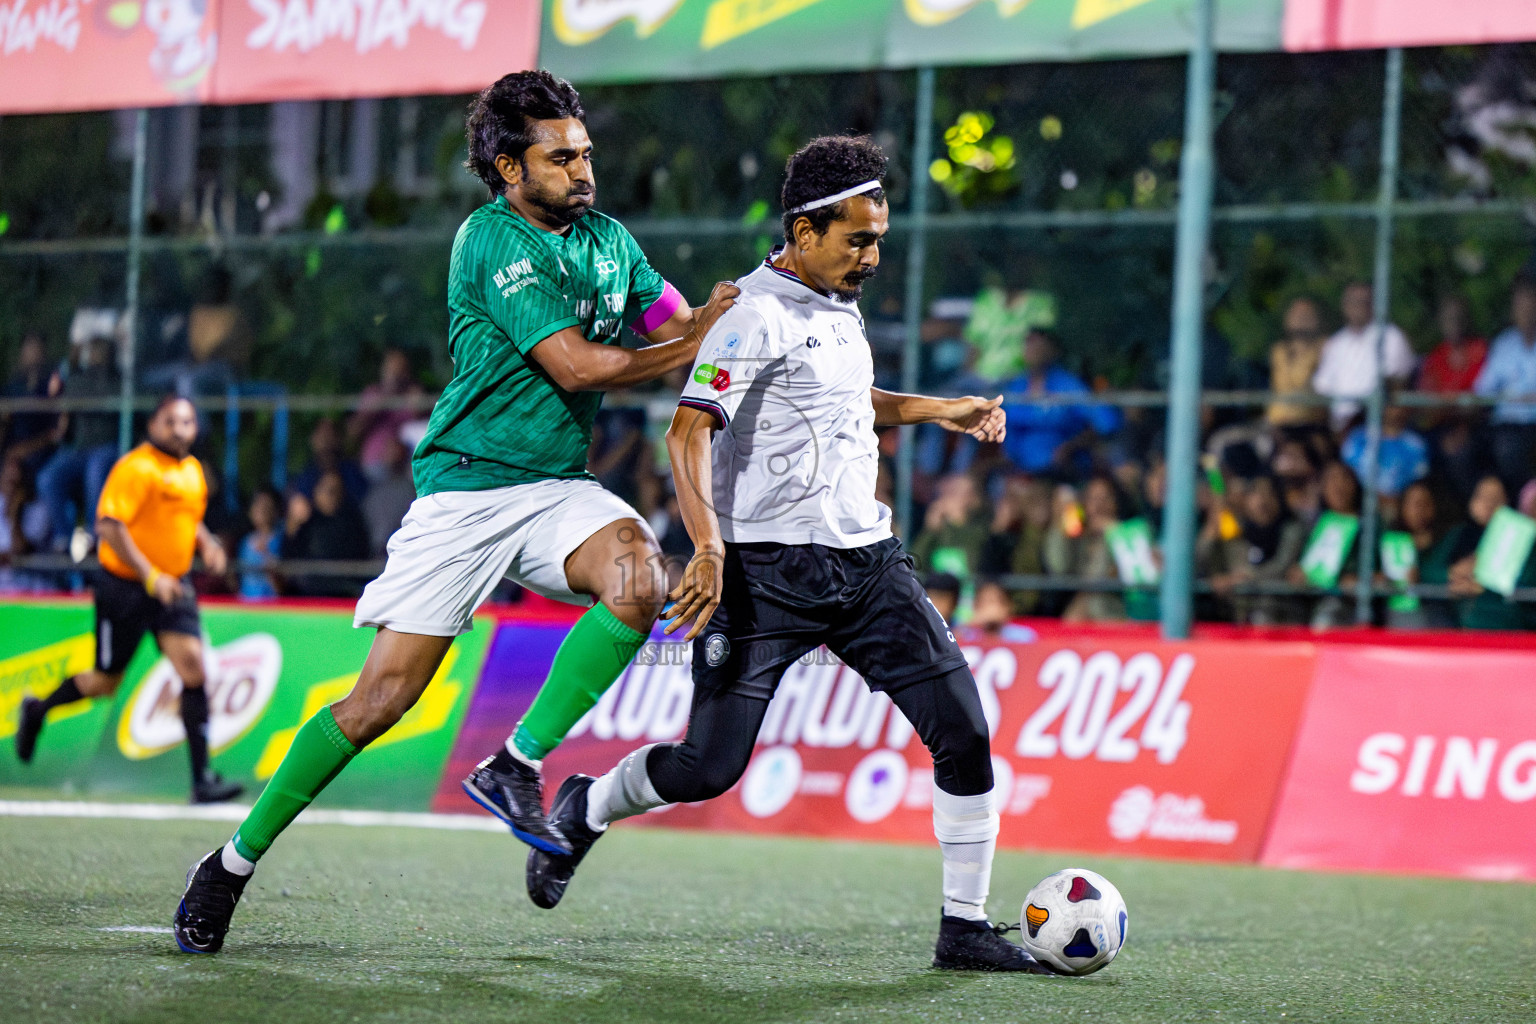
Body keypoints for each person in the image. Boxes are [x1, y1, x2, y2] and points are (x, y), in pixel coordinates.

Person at [172, 70, 738, 955]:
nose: (583, 170)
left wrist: (739, 309)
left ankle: (515, 764)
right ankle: (231, 864)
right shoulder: (489, 240)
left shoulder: (610, 241)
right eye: (562, 157)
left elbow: (680, 323)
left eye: (586, 152)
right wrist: (698, 340)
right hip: (466, 494)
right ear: (511, 168)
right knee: (376, 704)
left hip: (555, 485)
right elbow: (581, 367)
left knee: (638, 576)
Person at [523, 136, 1046, 973]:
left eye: (879, 239)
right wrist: (707, 548)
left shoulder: (838, 300)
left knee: (965, 733)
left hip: (868, 566)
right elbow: (687, 431)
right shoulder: (752, 315)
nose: (872, 256)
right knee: (708, 766)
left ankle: (964, 926)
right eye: (858, 240)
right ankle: (587, 808)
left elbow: (844, 395)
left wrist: (936, 409)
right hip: (764, 575)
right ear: (804, 231)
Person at [14, 396, 240, 804]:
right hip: (125, 586)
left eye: (187, 421)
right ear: (152, 424)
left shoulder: (192, 471)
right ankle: (37, 710)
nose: (180, 429)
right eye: (170, 421)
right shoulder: (136, 467)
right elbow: (109, 526)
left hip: (173, 584)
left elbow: (187, 519)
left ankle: (202, 780)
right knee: (104, 682)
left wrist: (206, 543)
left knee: (193, 669)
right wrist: (150, 575)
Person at [35, 335, 121, 551]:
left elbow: (97, 402)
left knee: (95, 472)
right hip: (79, 450)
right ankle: (63, 537)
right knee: (47, 478)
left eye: (100, 350)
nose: (95, 355)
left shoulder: (119, 381)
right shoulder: (76, 378)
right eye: (92, 350)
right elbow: (66, 401)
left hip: (107, 447)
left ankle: (95, 537)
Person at [998, 329, 1119, 477]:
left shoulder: (1067, 385)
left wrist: (1071, 447)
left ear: (1052, 350)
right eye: (1028, 343)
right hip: (1017, 469)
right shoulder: (1015, 386)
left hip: (1060, 470)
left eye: (1038, 344)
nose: (1032, 349)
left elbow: (1106, 421)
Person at [1312, 281, 1416, 433]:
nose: (1359, 307)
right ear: (1344, 306)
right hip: (1336, 426)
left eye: (1364, 301)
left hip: (1375, 422)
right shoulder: (1335, 343)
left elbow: (1396, 383)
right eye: (1353, 302)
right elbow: (1322, 388)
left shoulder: (1391, 336)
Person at [1474, 276, 1536, 494]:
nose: (1526, 311)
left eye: (1531, 304)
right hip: (1506, 425)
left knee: (1510, 450)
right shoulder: (1504, 345)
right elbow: (1482, 390)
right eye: (1520, 305)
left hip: (1532, 425)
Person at [283, 471, 370, 598]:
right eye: (326, 489)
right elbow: (288, 559)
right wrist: (292, 525)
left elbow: (358, 559)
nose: (331, 495)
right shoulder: (305, 522)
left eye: (335, 490)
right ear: (316, 491)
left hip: (342, 596)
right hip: (307, 596)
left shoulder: (352, 523)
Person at [346, 347, 424, 481]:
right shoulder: (372, 393)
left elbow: (425, 428)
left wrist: (419, 405)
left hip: (409, 465)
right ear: (384, 371)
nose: (397, 374)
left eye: (401, 369)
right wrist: (381, 401)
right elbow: (353, 432)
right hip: (376, 464)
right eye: (393, 369)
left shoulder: (413, 395)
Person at [1266, 297, 1328, 429]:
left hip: (1309, 423)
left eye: (1306, 314)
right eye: (1296, 314)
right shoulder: (1278, 351)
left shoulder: (1326, 348)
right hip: (1275, 422)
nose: (1300, 319)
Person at [236, 486, 283, 601]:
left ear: (276, 510)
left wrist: (267, 555)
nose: (262, 510)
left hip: (271, 608)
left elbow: (281, 585)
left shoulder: (281, 540)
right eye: (257, 504)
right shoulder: (244, 542)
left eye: (267, 505)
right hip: (245, 606)